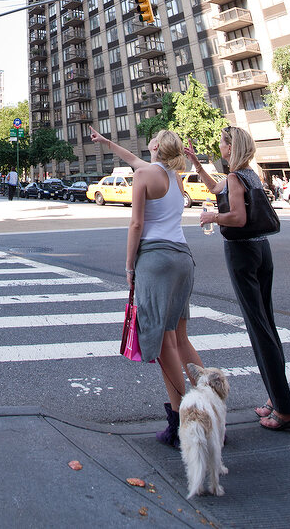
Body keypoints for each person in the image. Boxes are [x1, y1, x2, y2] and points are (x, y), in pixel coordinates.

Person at [90, 125, 202, 449]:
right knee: (180, 338)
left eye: (152, 137)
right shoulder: (174, 178)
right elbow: (134, 160)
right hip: (183, 260)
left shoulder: (144, 176)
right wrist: (106, 142)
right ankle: (212, 406)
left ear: (155, 146)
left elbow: (136, 223)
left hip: (156, 261)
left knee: (162, 341)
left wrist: (128, 266)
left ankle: (182, 423)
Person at [190, 127, 290, 433]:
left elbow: (237, 217)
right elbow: (217, 188)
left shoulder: (238, 177)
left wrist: (211, 217)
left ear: (231, 147)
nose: (220, 146)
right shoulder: (247, 175)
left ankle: (287, 412)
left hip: (242, 252)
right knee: (266, 323)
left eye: (223, 143)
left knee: (259, 328)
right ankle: (277, 398)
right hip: (261, 249)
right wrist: (197, 164)